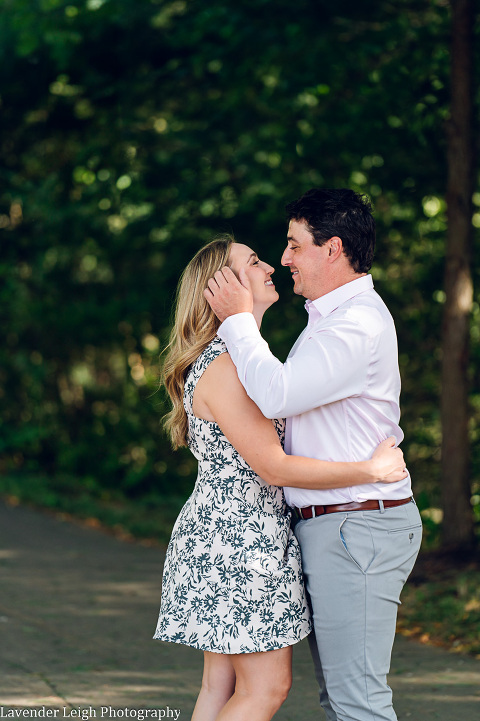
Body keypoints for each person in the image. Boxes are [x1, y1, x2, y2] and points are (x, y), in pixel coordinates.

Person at [154, 234, 408, 721]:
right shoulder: (227, 365)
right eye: (253, 261)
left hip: (227, 533)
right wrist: (370, 470)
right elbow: (272, 466)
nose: (271, 265)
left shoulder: (229, 359)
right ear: (221, 285)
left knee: (219, 687)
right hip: (240, 539)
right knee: (265, 689)